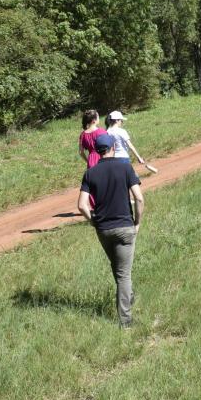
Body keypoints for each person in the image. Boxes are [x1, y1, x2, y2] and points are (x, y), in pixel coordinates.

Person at [77, 133, 145, 328]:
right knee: (124, 275)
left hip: (104, 230)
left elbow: (81, 205)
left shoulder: (90, 173)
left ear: (97, 151)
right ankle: (126, 321)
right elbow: (139, 198)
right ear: (113, 148)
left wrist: (93, 221)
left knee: (118, 268)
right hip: (124, 227)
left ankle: (127, 296)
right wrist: (137, 222)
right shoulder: (125, 167)